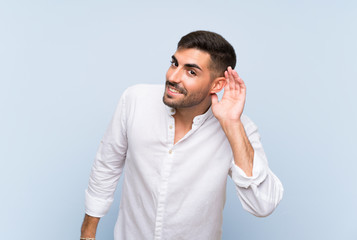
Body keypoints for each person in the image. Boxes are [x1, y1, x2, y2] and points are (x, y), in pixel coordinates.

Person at [80, 30, 284, 240]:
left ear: (217, 85)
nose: (173, 77)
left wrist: (232, 125)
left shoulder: (239, 128)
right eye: (174, 63)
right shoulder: (135, 100)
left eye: (191, 72)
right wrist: (87, 233)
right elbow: (107, 165)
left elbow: (263, 205)